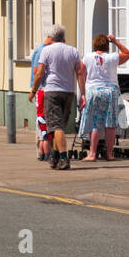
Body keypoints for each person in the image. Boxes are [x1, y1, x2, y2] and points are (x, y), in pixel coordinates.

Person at [28, 25, 85, 170]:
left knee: (56, 127)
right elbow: (79, 72)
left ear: (51, 37)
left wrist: (33, 90)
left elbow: (39, 74)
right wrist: (82, 93)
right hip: (68, 92)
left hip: (52, 91)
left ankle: (64, 159)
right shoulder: (73, 51)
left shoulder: (46, 50)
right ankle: (55, 157)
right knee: (58, 127)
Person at [79, 33, 129, 161]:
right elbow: (127, 54)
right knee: (110, 124)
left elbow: (81, 73)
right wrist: (115, 41)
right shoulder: (112, 57)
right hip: (111, 91)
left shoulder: (87, 57)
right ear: (107, 46)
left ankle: (92, 154)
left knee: (95, 123)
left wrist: (83, 94)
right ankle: (109, 154)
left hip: (94, 91)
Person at [27, 35, 53, 162]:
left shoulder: (40, 49)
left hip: (39, 116)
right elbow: (37, 70)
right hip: (45, 115)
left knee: (42, 137)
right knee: (45, 138)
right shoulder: (42, 51)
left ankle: (42, 154)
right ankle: (46, 154)